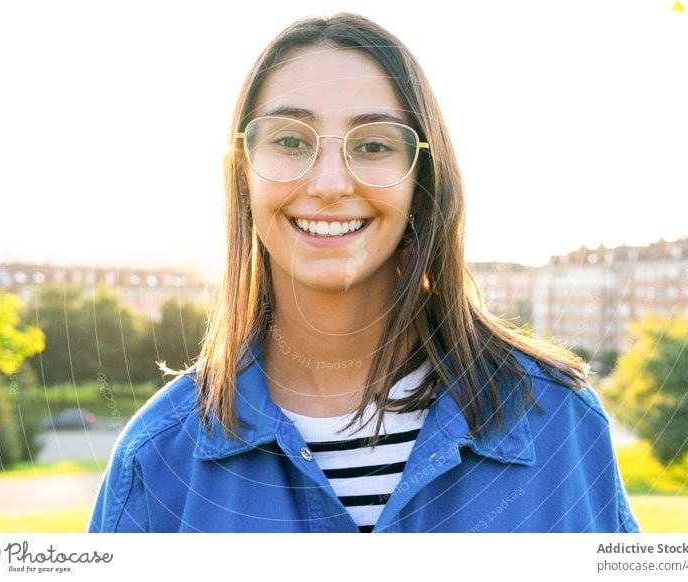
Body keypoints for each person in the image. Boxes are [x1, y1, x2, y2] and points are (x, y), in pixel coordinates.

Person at [89, 12, 640, 533]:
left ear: (422, 180)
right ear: (243, 176)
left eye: (374, 144)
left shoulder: (560, 422)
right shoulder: (157, 459)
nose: (330, 183)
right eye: (289, 141)